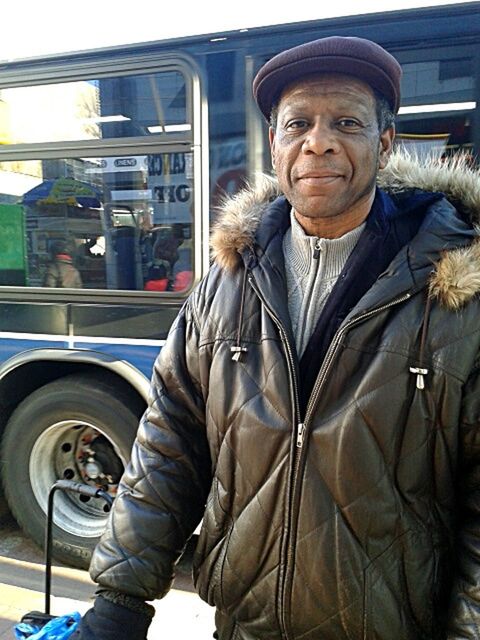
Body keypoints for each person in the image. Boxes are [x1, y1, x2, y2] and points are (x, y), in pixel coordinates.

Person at [75, 37, 480, 640]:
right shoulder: (227, 280)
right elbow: (170, 441)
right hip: (243, 623)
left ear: (385, 143)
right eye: (299, 124)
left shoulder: (456, 294)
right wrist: (120, 599)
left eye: (346, 121)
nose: (319, 141)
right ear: (276, 144)